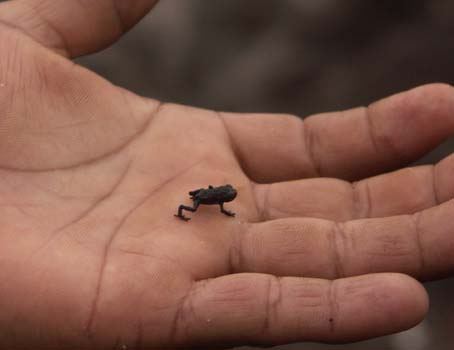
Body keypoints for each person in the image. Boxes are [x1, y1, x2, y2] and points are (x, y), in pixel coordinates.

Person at [0, 1, 452, 349]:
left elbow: (225, 198)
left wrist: (223, 206)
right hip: (202, 195)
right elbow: (220, 199)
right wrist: (212, 207)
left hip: (207, 193)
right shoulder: (214, 197)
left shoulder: (222, 196)